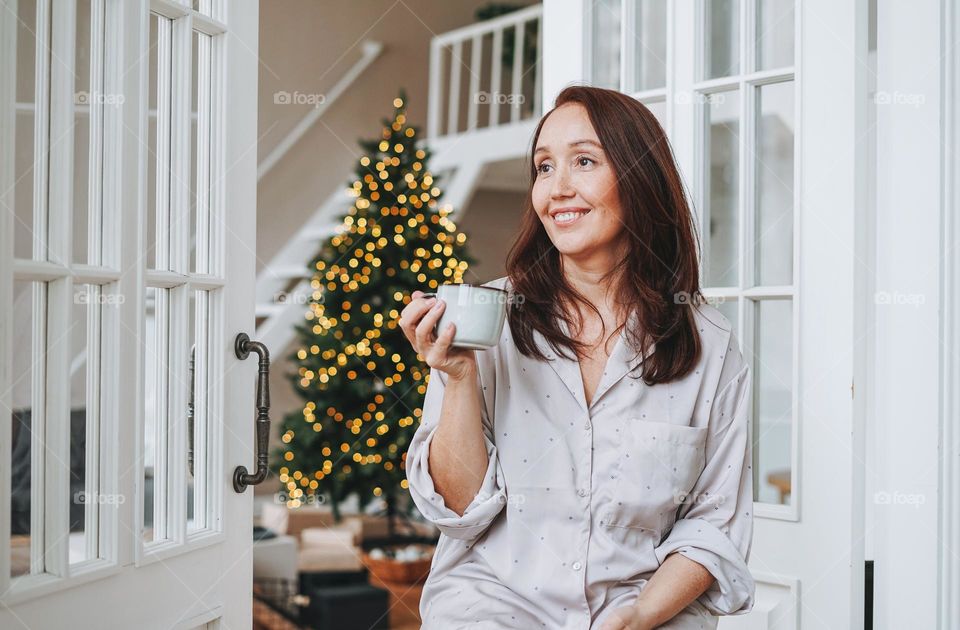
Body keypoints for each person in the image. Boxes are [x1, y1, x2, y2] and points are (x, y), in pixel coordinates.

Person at [399, 85, 755, 630]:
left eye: (583, 162)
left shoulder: (708, 343)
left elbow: (713, 524)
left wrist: (638, 617)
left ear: (640, 180)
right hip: (493, 607)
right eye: (544, 167)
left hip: (642, 610)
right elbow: (460, 512)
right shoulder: (490, 321)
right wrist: (457, 376)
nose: (556, 189)